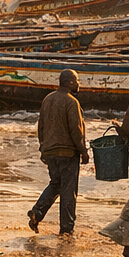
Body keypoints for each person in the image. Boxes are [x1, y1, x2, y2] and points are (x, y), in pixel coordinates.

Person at [27, 68, 90, 235]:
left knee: (56, 184)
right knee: (68, 191)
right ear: (69, 82)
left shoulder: (48, 99)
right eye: (77, 80)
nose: (79, 84)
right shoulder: (71, 102)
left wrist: (43, 148)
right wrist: (83, 151)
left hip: (50, 151)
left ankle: (37, 212)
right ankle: (67, 230)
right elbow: (76, 130)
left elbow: (40, 126)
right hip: (67, 153)